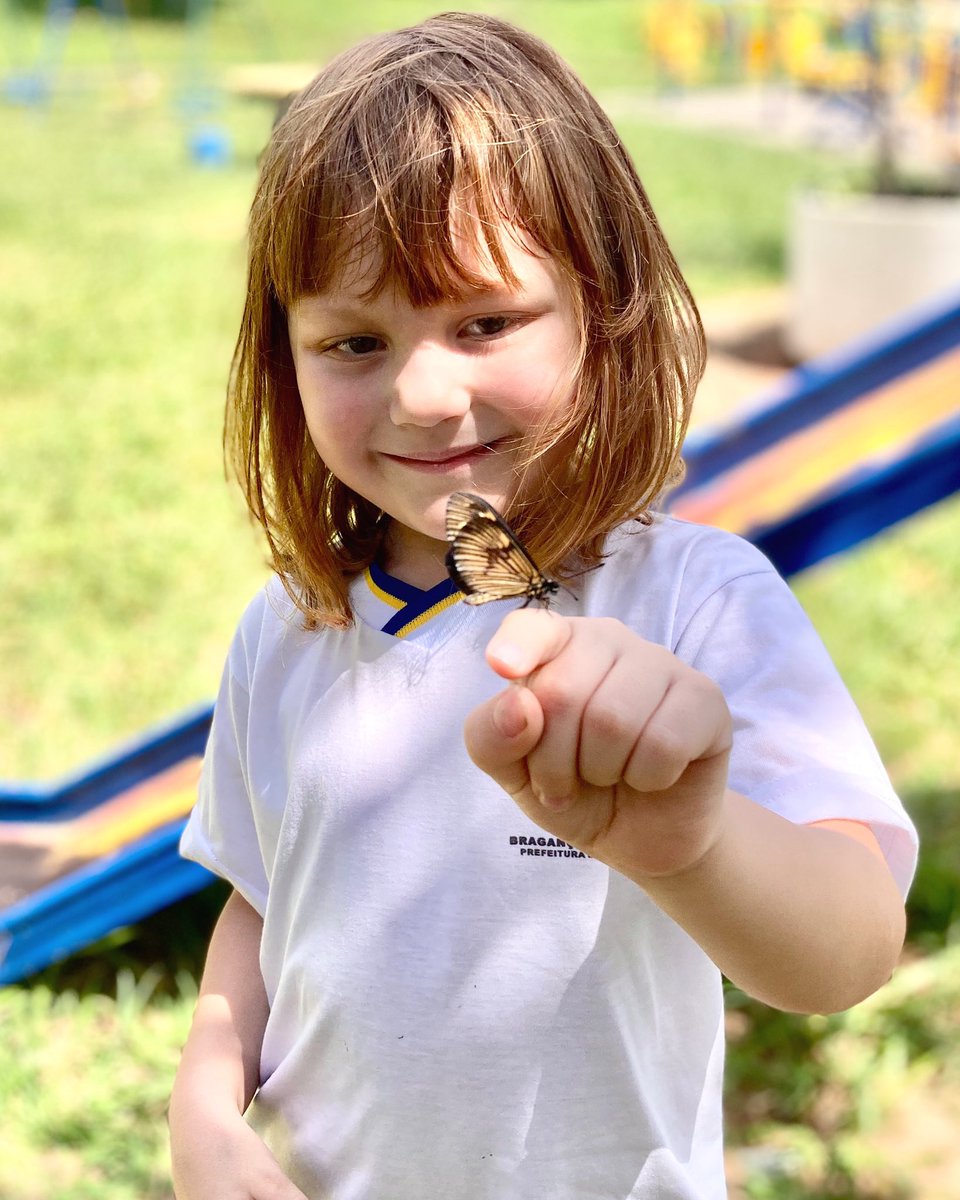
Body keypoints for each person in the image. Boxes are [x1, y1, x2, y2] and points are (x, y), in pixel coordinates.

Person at [168, 12, 917, 1200]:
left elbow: (852, 948)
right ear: (284, 360)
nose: (424, 393)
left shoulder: (694, 600)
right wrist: (205, 1099)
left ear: (604, 309)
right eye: (353, 342)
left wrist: (696, 845)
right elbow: (264, 901)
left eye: (484, 322)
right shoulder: (291, 626)